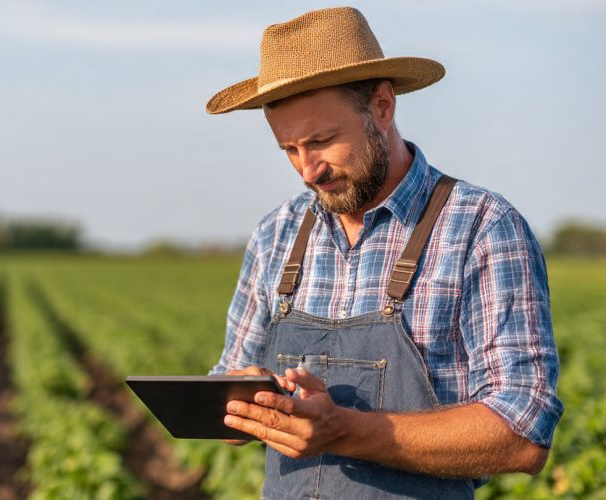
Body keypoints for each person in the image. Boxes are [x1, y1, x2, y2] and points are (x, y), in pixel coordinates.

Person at [206, 7, 563, 499]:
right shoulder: (277, 234)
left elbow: (523, 432)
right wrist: (246, 399)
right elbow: (226, 386)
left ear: (382, 105)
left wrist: (346, 431)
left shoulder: (480, 227)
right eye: (289, 149)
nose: (308, 169)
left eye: (323, 141)